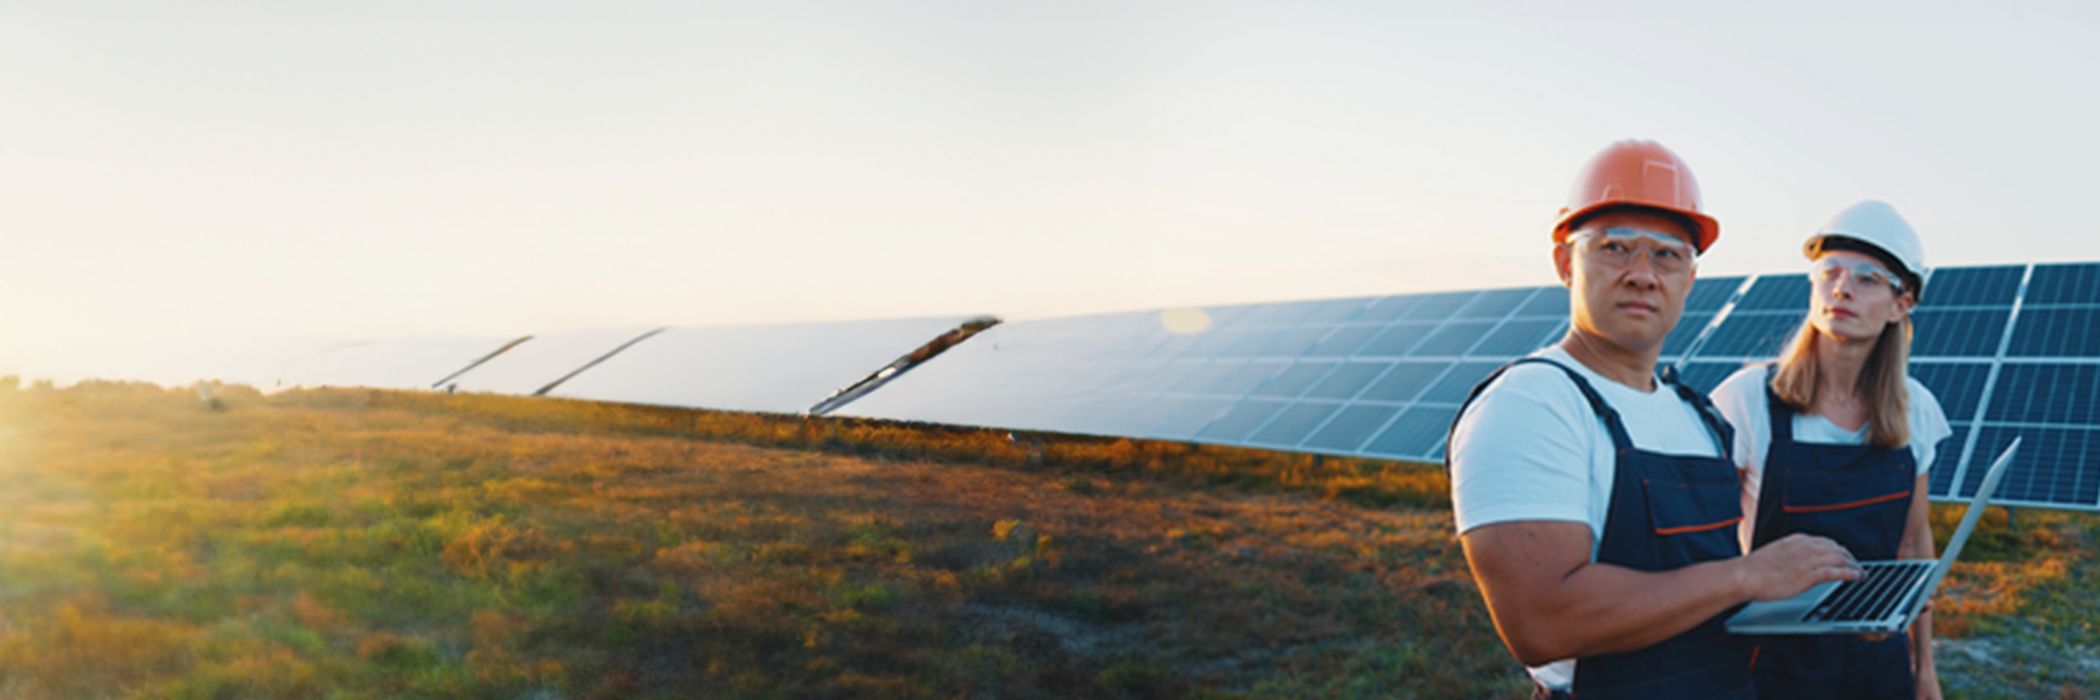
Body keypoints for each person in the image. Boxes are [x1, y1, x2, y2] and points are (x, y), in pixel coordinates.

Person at [1447, 140, 1864, 699]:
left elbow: (1702, 587)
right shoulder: (1532, 403)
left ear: (1689, 280)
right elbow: (1543, 622)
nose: (1644, 274)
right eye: (1616, 248)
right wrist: (1747, 576)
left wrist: (1810, 595)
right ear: (1567, 264)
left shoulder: (1697, 416)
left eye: (1668, 255)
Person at [1708, 201, 1948, 700]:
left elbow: (1912, 544)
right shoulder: (1748, 398)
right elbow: (1704, 547)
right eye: (1829, 272)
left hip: (1876, 664)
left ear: (1900, 304)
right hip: (1769, 663)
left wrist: (1923, 666)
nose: (1841, 288)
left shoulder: (1916, 408)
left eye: (1867, 278)